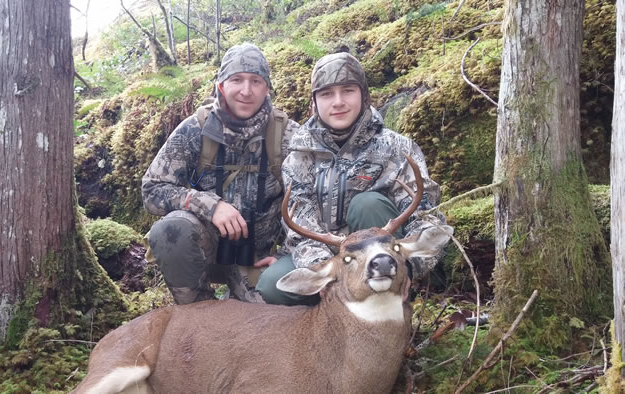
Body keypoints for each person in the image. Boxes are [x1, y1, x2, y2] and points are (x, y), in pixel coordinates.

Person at [256, 52, 449, 306]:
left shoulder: (396, 148)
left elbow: (426, 219)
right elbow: (300, 229)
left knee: (368, 204)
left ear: (364, 95)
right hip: (330, 259)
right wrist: (327, 272)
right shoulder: (298, 156)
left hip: (382, 260)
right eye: (327, 94)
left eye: (347, 91)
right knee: (271, 287)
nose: (338, 102)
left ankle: (388, 307)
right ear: (314, 103)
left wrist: (409, 268)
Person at [142, 43, 299, 305]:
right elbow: (152, 189)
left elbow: (308, 204)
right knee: (172, 229)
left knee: (266, 323)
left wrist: (286, 255)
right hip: (205, 249)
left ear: (267, 87)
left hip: (258, 256)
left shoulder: (288, 136)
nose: (246, 91)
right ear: (221, 85)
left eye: (256, 81)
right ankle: (197, 313)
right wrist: (209, 205)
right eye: (236, 80)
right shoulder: (194, 129)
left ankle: (240, 297)